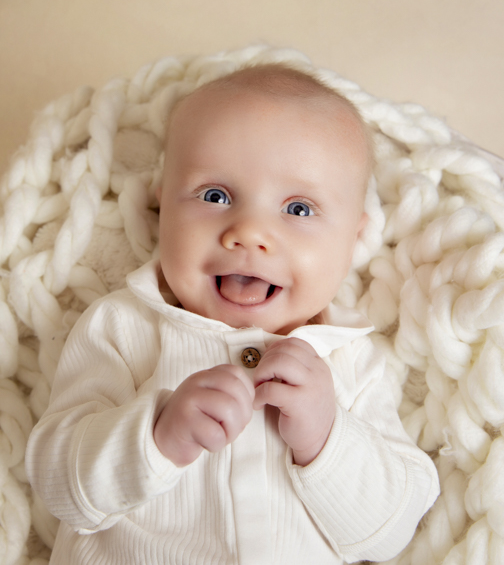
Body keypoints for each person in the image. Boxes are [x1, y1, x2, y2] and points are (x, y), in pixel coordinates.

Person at [25, 65, 440, 564]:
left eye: (299, 209)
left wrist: (328, 436)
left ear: (353, 238)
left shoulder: (349, 361)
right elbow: (57, 484)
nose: (248, 232)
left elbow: (391, 531)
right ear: (163, 208)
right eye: (215, 196)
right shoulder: (124, 328)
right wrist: (156, 436)